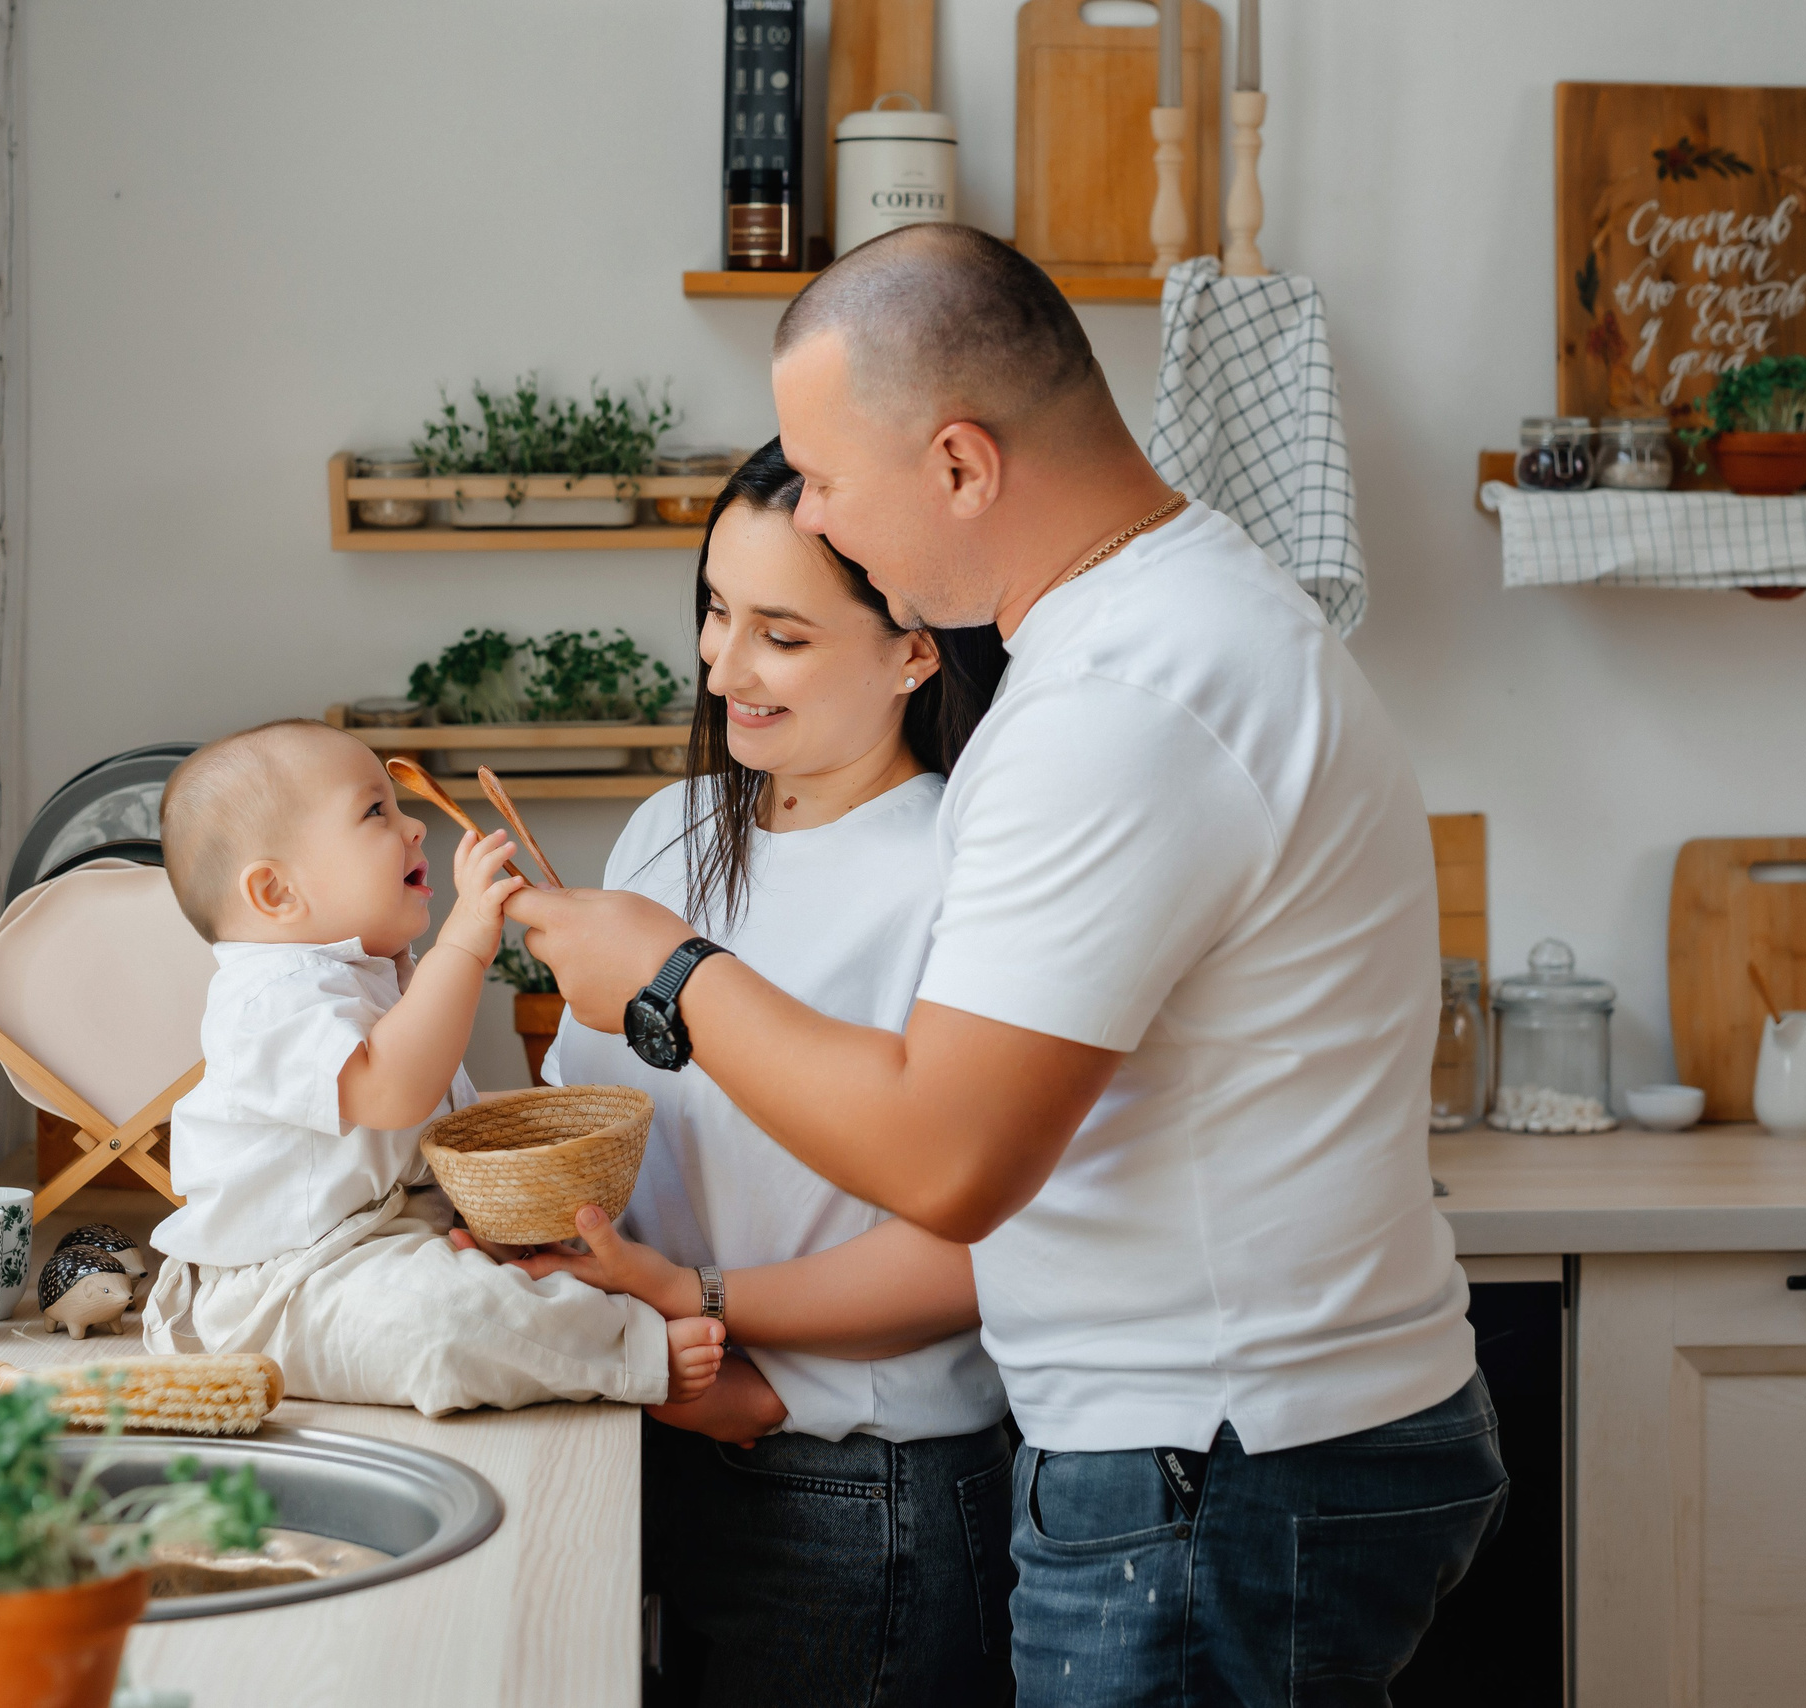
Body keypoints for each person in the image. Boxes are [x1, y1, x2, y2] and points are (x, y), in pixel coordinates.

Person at [508, 224, 1505, 1705]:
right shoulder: (1172, 626)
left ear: (962, 466)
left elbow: (953, 1157)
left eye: (832, 484)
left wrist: (669, 975)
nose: (825, 520)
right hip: (1239, 1443)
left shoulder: (1118, 701)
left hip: (1211, 1463)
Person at [490, 440, 1018, 1708]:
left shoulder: (966, 871)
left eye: (780, 633)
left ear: (915, 647)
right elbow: (593, 1126)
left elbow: (980, 1249)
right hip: (654, 1434)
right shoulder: (665, 835)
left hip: (859, 1482)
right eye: (716, 611)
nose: (722, 664)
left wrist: (721, 1331)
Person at [139, 719, 726, 1414]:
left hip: (388, 1240)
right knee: (443, 1323)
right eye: (374, 812)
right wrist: (466, 944)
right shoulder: (269, 998)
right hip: (289, 1285)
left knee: (521, 1264)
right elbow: (392, 1092)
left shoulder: (367, 970)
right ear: (276, 893)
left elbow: (444, 1117)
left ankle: (583, 1316)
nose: (414, 828)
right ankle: (625, 1349)